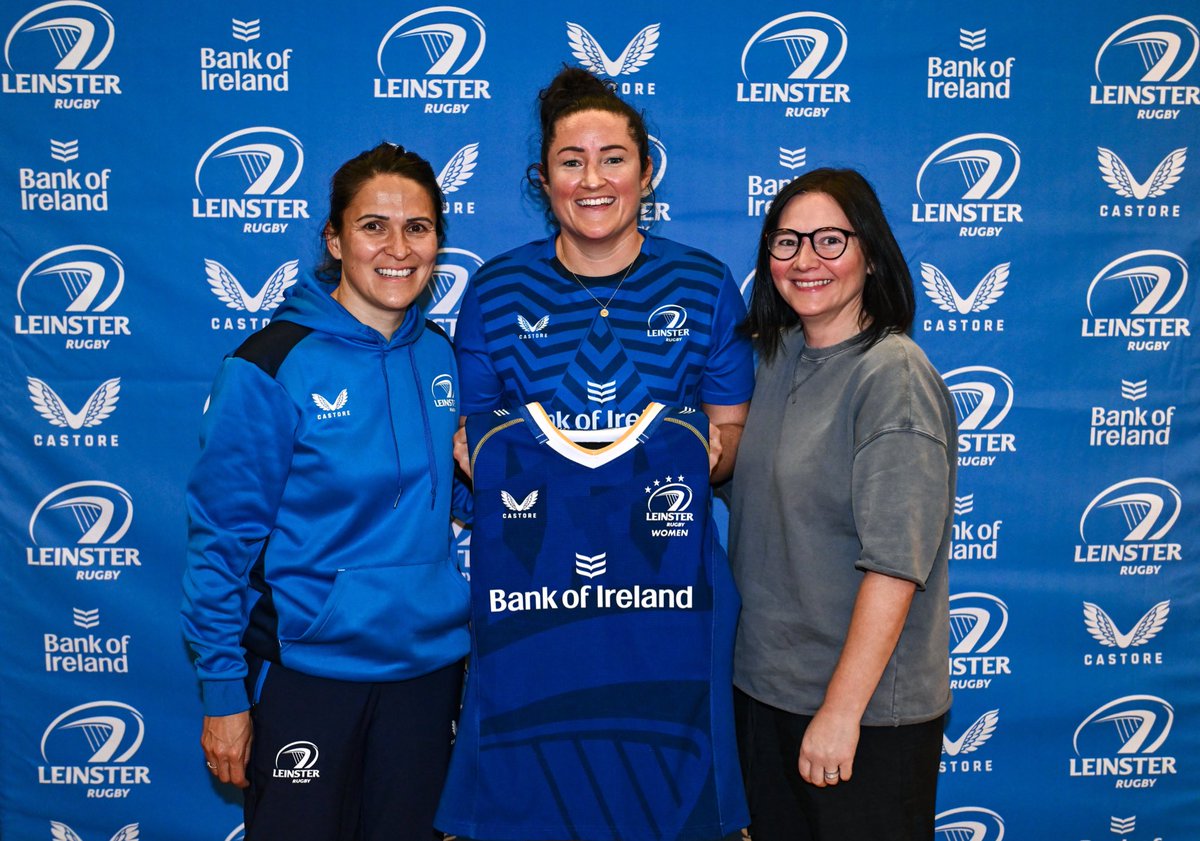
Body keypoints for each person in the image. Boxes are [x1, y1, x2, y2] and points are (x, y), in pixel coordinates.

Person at [435, 67, 752, 841]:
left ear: (647, 171)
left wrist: (667, 461)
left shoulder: (705, 285)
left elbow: (731, 438)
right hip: (531, 592)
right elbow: (474, 441)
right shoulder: (496, 289)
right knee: (531, 794)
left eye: (613, 157)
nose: (593, 178)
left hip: (667, 591)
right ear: (543, 180)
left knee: (665, 798)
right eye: (570, 160)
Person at [181, 143, 470, 841]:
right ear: (335, 239)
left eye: (418, 227)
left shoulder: (442, 356)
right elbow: (219, 545)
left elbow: (433, 512)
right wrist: (224, 694)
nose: (398, 247)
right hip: (309, 675)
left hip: (428, 677)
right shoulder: (270, 365)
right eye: (374, 226)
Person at [730, 169, 957, 840]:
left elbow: (895, 563)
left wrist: (840, 710)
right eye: (787, 241)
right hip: (767, 692)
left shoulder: (893, 376)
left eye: (830, 240)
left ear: (872, 254)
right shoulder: (774, 359)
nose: (806, 260)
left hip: (861, 715)